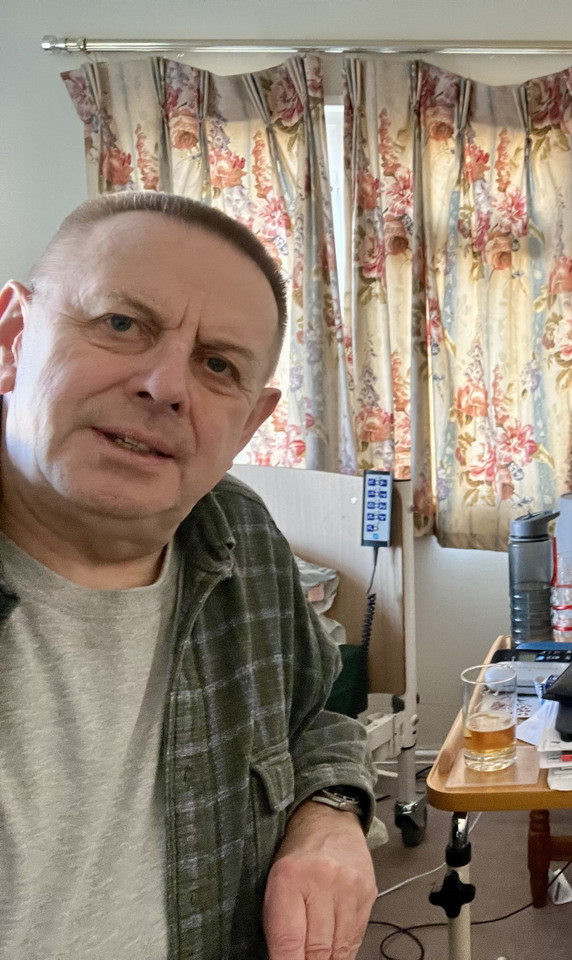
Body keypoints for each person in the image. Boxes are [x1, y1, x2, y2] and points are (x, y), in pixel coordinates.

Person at [0, 192, 377, 960]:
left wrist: (331, 813)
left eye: (217, 365)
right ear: (13, 337)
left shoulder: (242, 538)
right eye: (121, 324)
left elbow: (312, 720)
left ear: (249, 422)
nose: (166, 385)